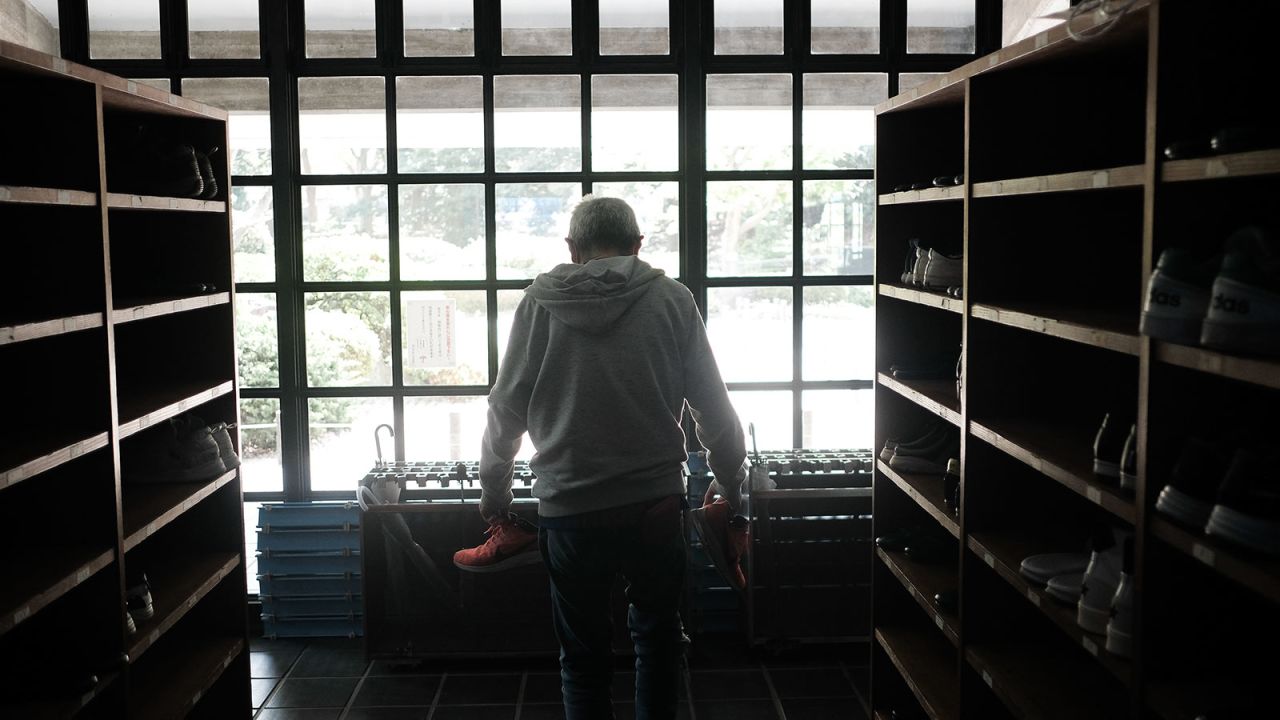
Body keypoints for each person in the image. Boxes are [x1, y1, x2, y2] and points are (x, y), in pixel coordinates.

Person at [454, 195, 748, 719]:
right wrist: (730, 485)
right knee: (658, 644)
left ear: (572, 248)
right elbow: (714, 408)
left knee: (582, 658)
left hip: (568, 512)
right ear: (638, 246)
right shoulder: (671, 300)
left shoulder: (537, 305)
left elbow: (504, 414)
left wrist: (494, 500)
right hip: (654, 507)